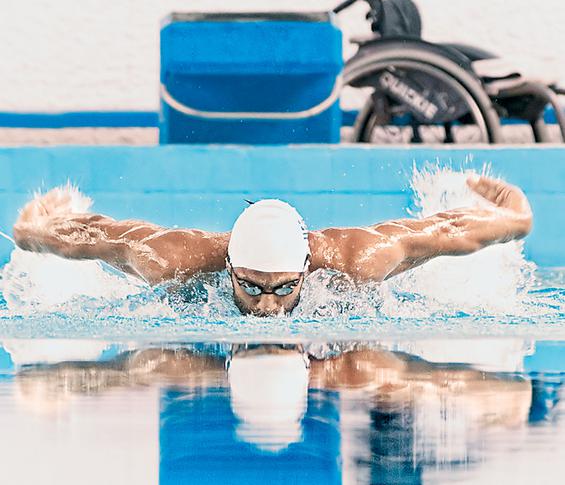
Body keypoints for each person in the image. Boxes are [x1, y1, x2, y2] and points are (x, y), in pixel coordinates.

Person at [12, 175, 532, 316]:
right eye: (252, 288)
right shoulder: (173, 259)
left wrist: (513, 214)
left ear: (307, 268)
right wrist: (34, 228)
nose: (267, 308)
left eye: (285, 289)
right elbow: (103, 236)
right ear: (230, 267)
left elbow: (442, 234)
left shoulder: (358, 259)